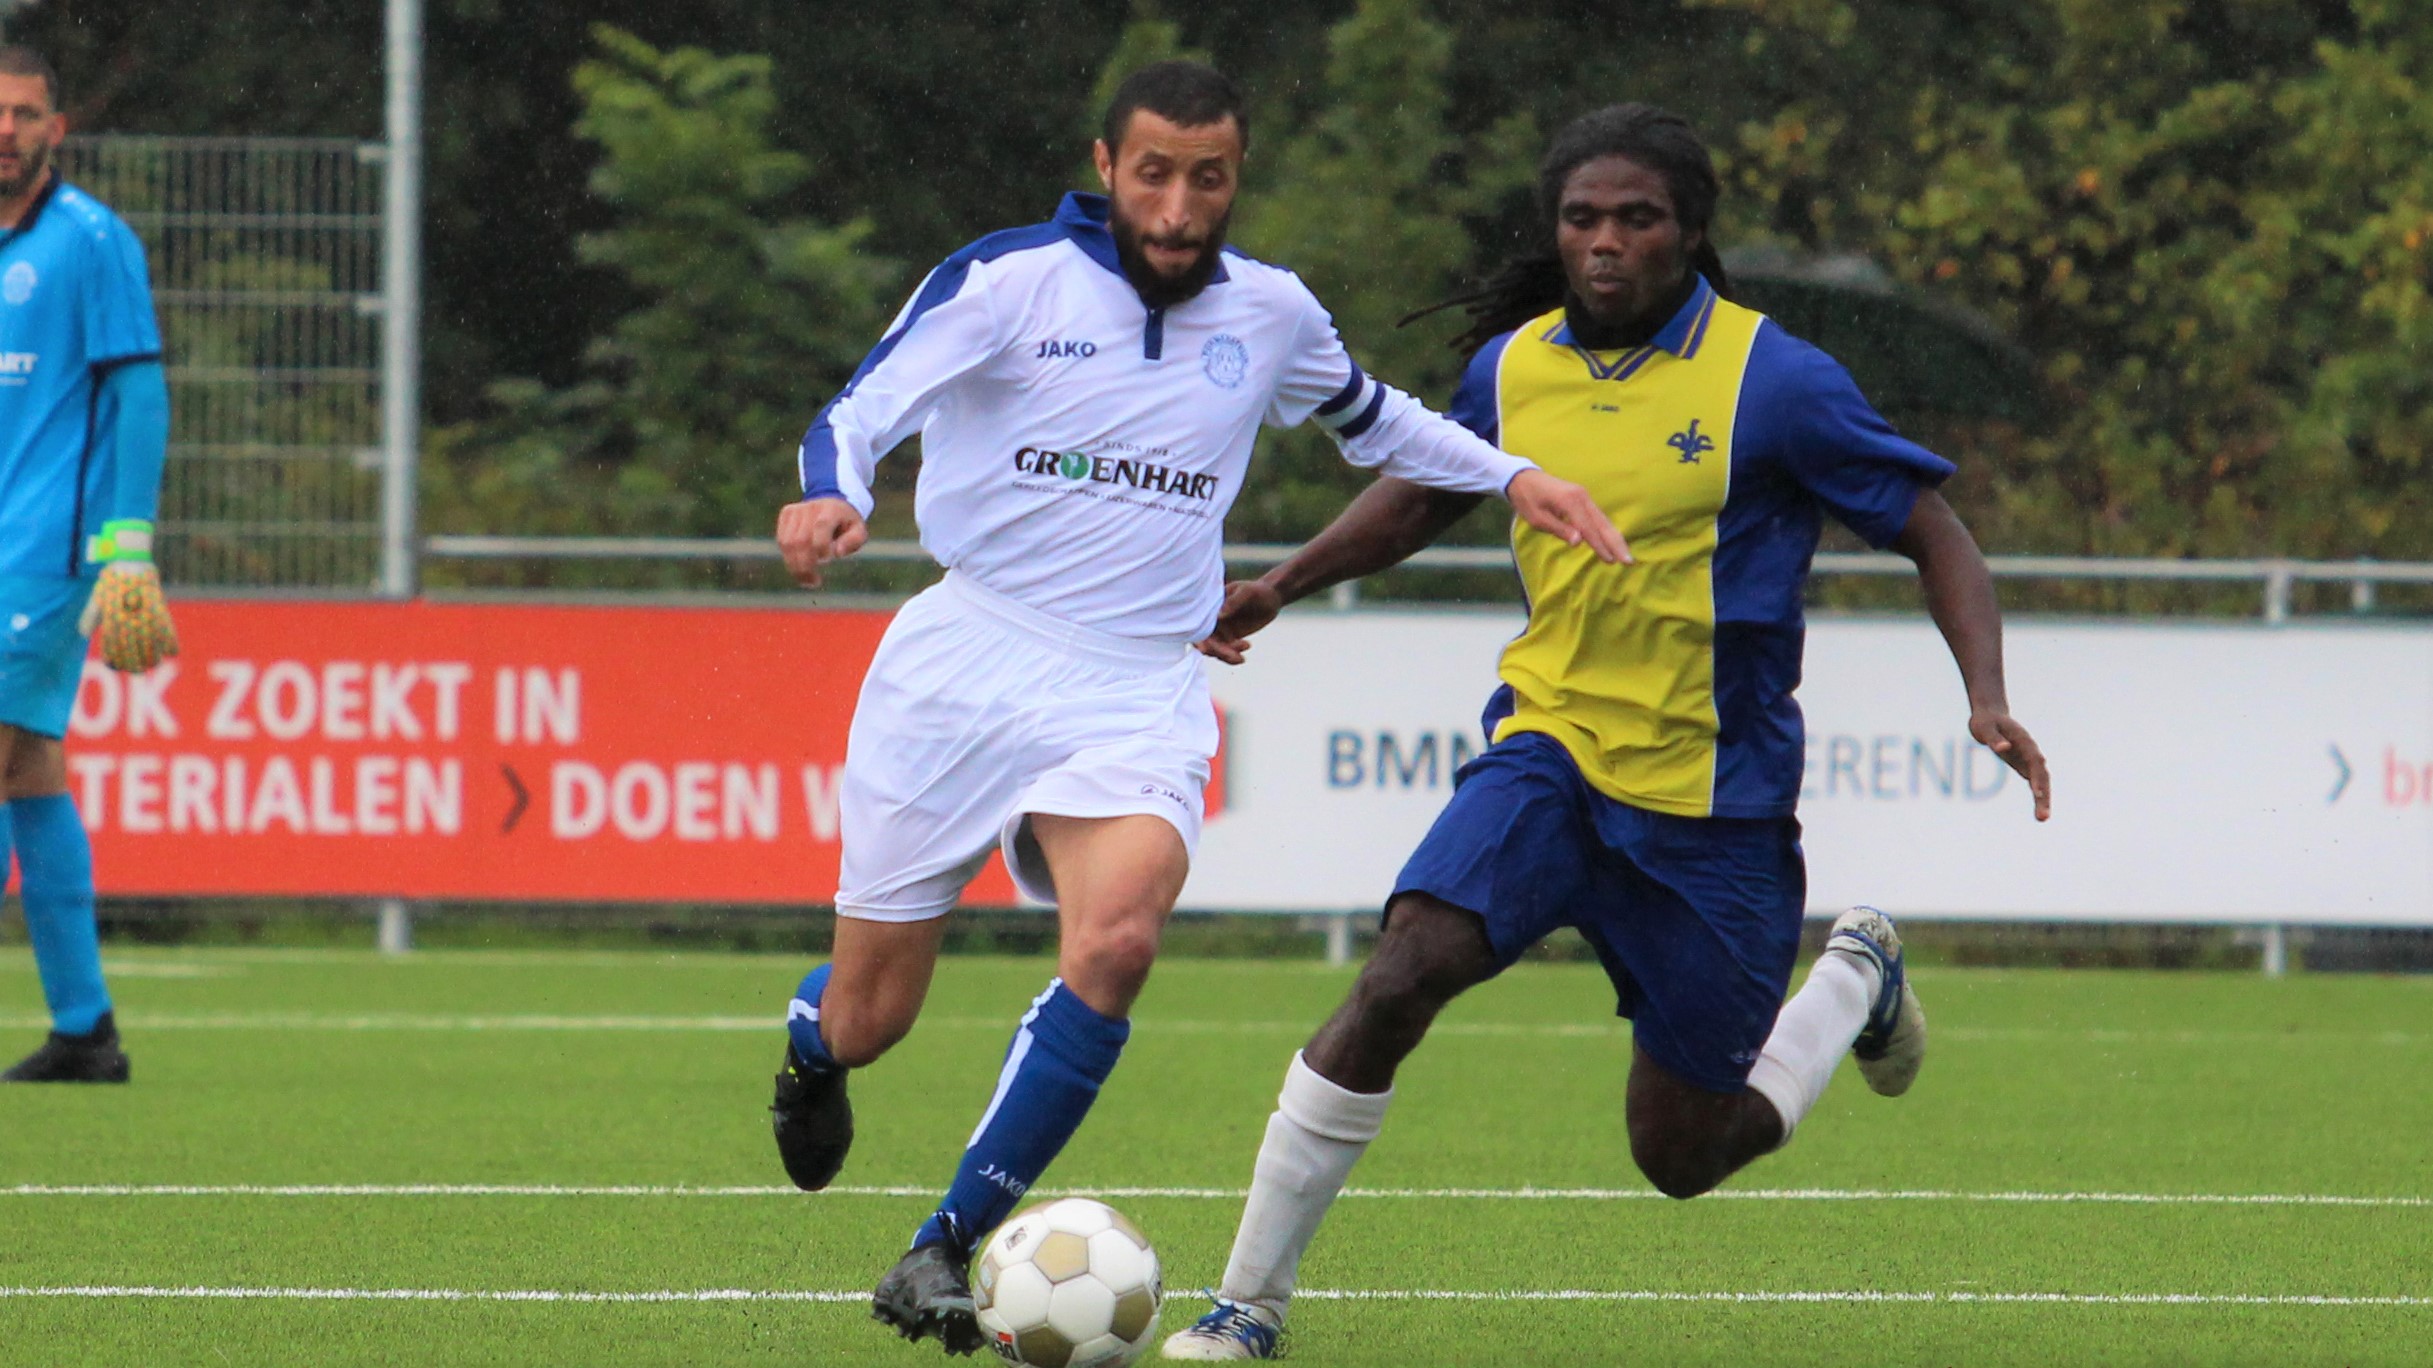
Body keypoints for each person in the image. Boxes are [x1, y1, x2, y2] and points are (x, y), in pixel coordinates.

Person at [1163, 103, 2053, 1360]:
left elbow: (1932, 532)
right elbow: (1424, 490)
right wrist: (1281, 585)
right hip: (1551, 751)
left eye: (1638, 218)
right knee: (1401, 973)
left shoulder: (1776, 380)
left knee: (1682, 1155)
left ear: (1691, 231)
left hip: (1712, 808)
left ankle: (1852, 977)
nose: (1606, 242)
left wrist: (1987, 695)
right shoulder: (1514, 368)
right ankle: (1247, 1304)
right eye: (1584, 218)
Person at [767, 62, 1626, 1356]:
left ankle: (940, 1247)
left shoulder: (1271, 313)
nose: (1178, 208)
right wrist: (831, 491)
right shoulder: (1007, 281)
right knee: (869, 1018)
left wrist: (1515, 478)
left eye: (1207, 179)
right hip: (961, 660)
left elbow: (1372, 419)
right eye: (1154, 174)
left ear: (1236, 179)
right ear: (1105, 165)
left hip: (1135, 682)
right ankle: (813, 1044)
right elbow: (864, 404)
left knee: (1114, 946)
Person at [0, 48, 175, 1085]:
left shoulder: (92, 241)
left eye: (24, 112)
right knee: (28, 769)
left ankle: (83, 1027)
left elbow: (140, 400)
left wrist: (128, 547)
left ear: (56, 129)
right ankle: (85, 1029)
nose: (6, 128)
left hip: (47, 557)